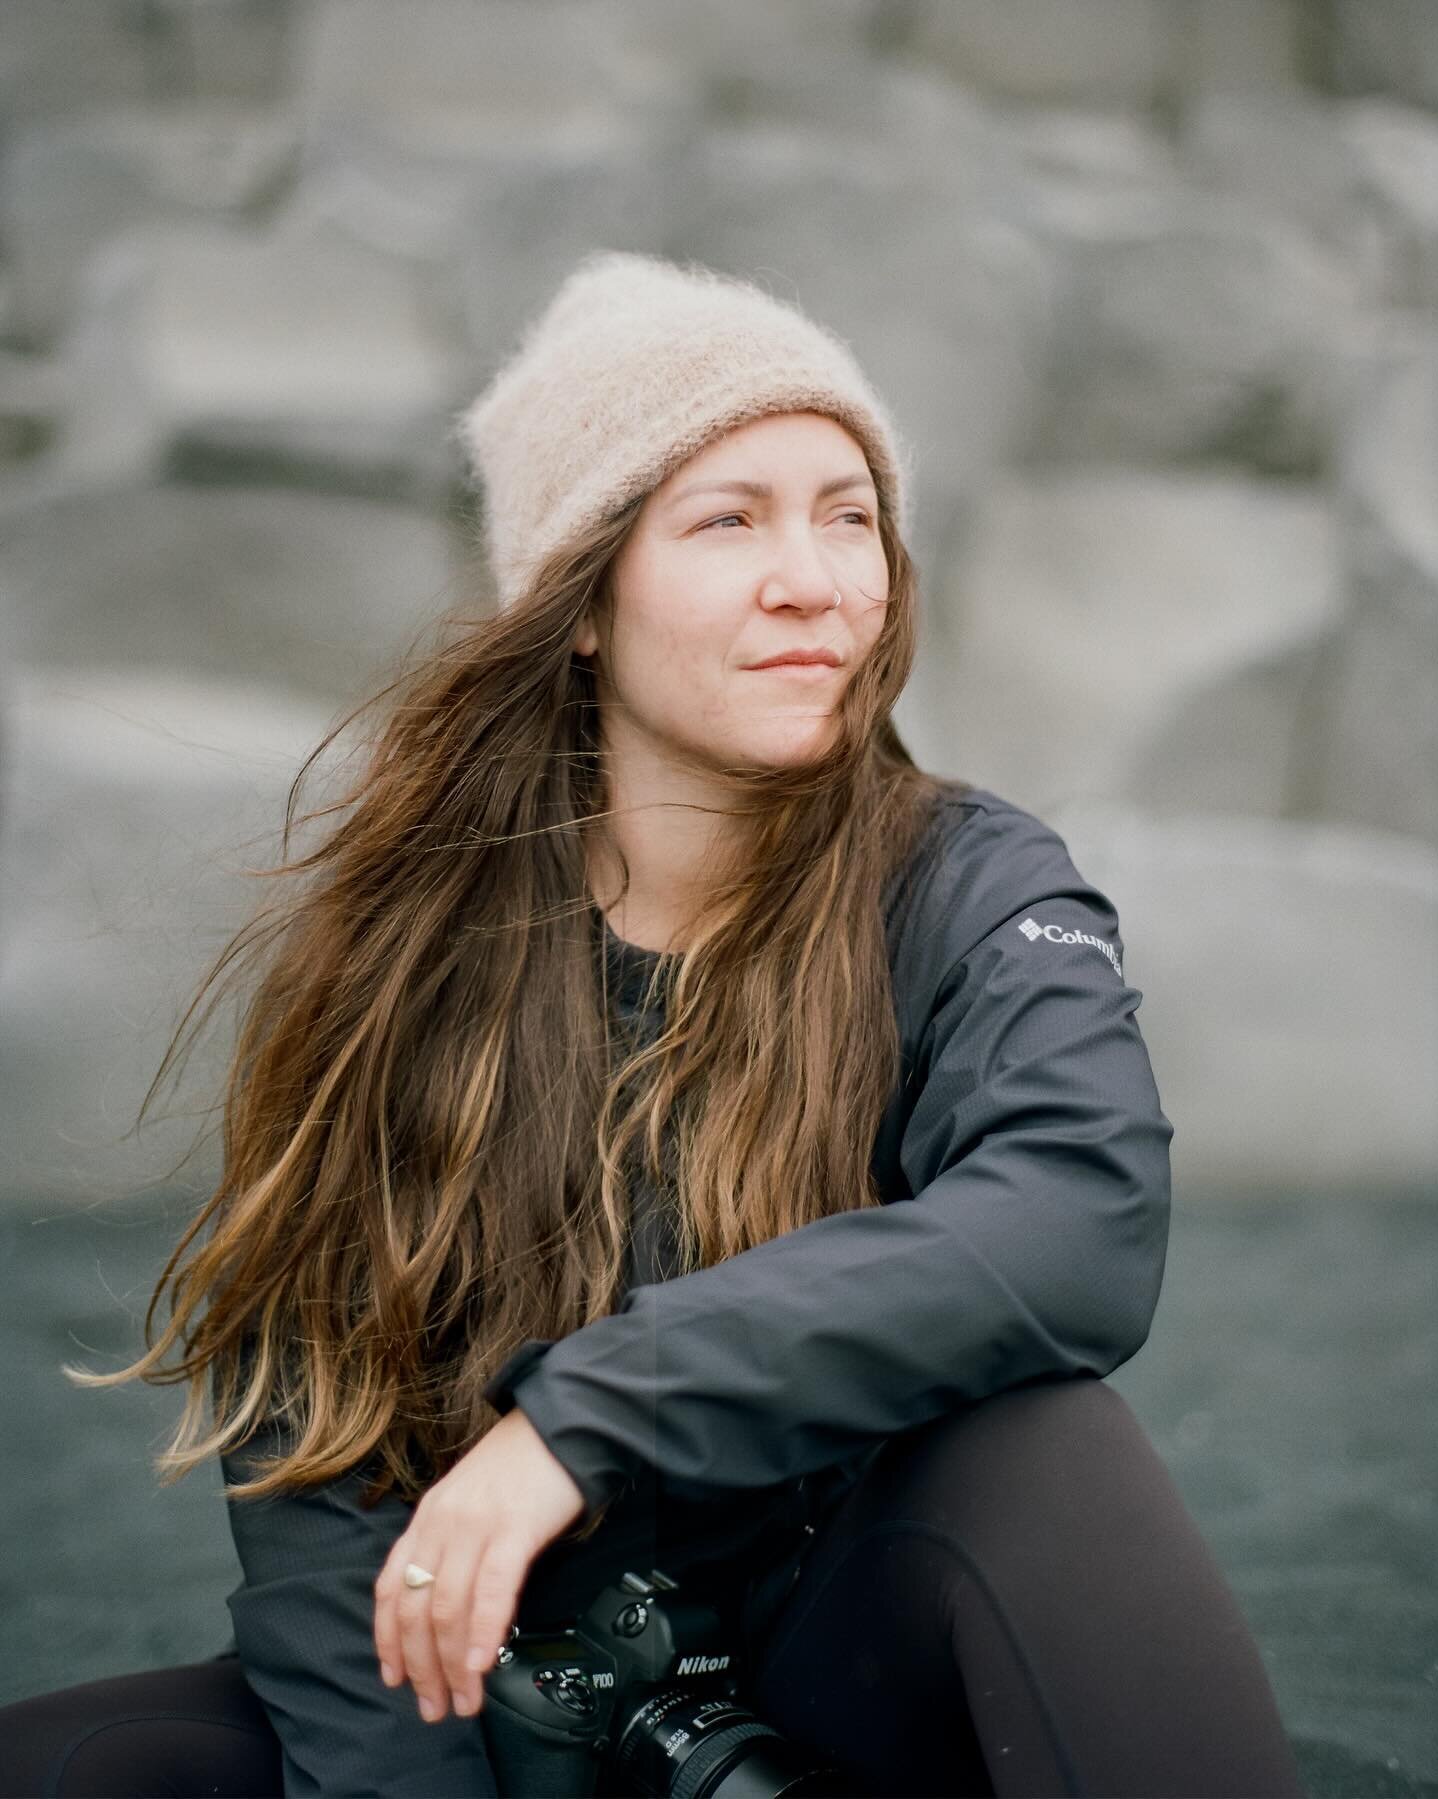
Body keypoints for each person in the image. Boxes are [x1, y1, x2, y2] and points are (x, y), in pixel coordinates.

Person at [0, 251, 1306, 1799]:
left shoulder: (969, 881)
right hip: (503, 1701)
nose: (816, 578)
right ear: (582, 608)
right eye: (728, 519)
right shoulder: (400, 953)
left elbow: (1079, 1220)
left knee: (1046, 1456)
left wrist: (578, 1425)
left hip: (846, 1676)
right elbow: (320, 1471)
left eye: (848, 512)